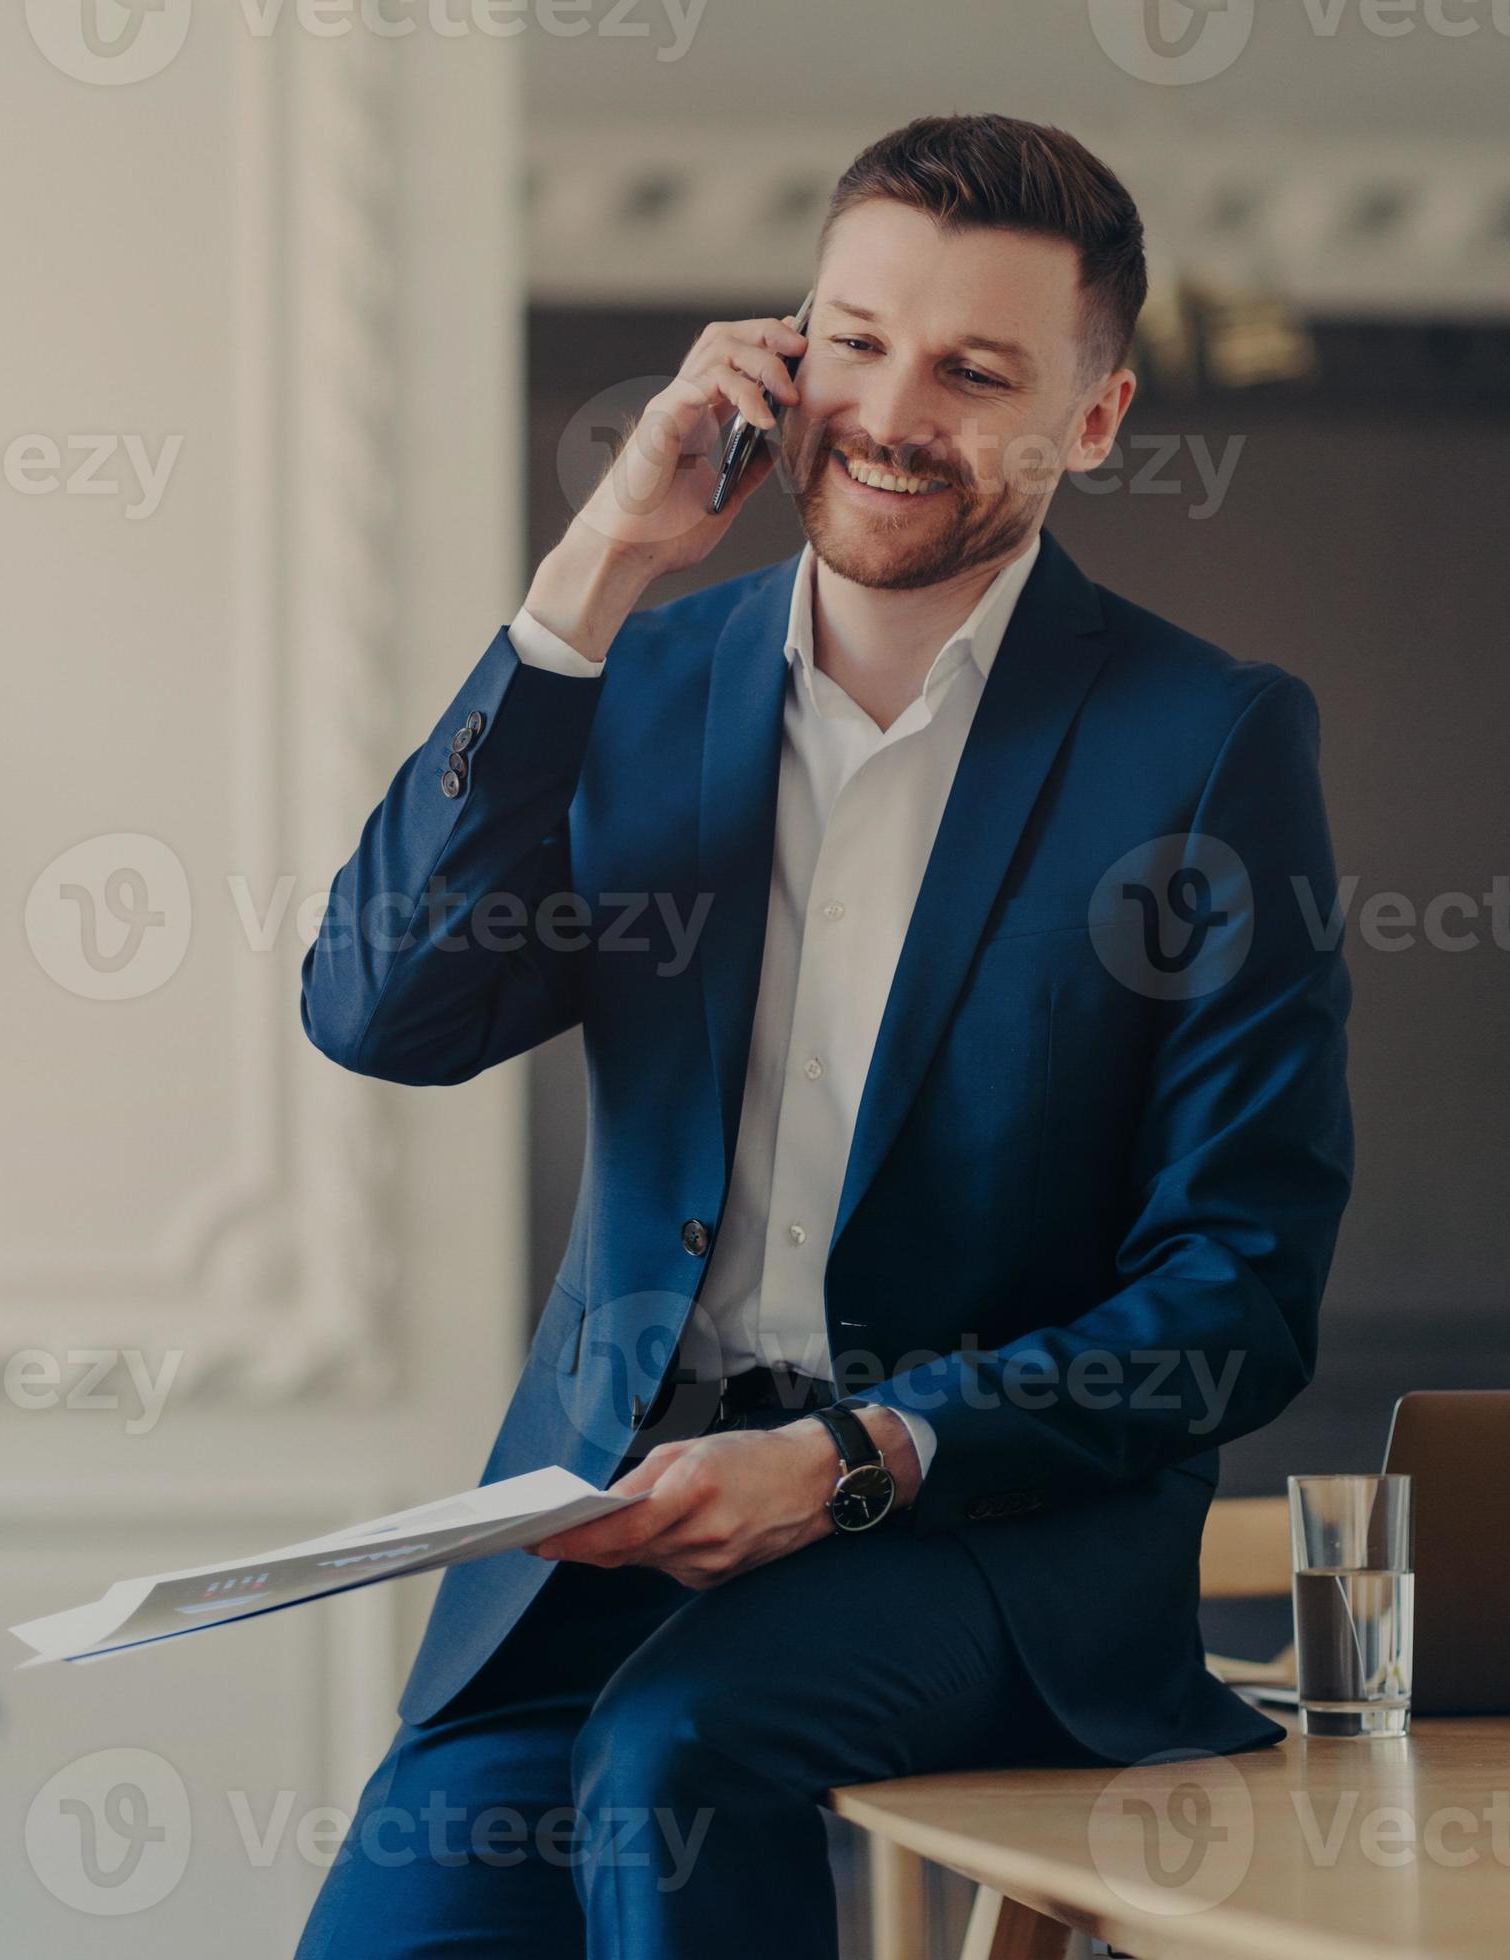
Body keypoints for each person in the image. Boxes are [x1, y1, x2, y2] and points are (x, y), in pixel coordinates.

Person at [295, 111, 1353, 1960]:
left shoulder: (1204, 743)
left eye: (972, 370)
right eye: (853, 341)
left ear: (1090, 421)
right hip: (607, 1530)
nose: (888, 410)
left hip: (968, 1539)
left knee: (676, 1752)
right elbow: (379, 1012)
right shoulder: (638, 682)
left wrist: (856, 1454)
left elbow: (1237, 1292)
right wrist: (593, 574)